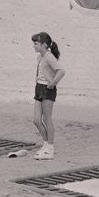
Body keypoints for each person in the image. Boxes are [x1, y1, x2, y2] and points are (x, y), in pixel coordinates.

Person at [31, 32, 65, 160]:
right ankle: (45, 144)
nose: (33, 46)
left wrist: (53, 83)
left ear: (44, 45)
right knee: (36, 120)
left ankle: (50, 148)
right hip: (39, 88)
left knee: (47, 119)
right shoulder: (40, 57)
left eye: (36, 44)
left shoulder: (49, 57)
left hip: (47, 89)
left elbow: (61, 71)